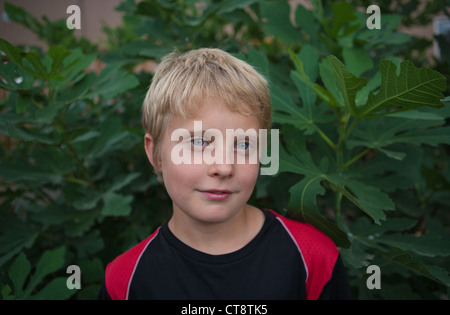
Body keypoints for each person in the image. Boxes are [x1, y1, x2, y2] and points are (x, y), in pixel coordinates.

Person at [98, 48, 351, 300]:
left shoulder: (314, 259)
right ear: (155, 153)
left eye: (243, 145)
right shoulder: (124, 282)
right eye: (198, 142)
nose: (224, 167)